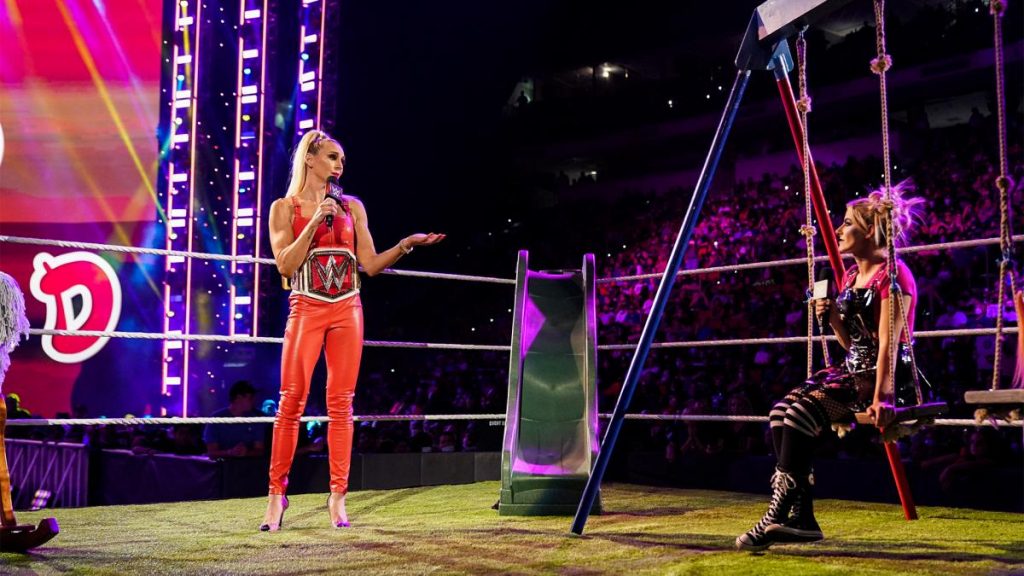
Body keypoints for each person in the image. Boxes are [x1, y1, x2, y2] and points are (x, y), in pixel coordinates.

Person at [261, 129, 444, 532]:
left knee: (341, 403)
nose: (339, 165)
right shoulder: (283, 208)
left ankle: (337, 497)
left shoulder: (352, 207)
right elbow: (285, 265)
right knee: (290, 400)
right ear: (309, 159)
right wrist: (313, 223)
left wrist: (407, 244)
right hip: (306, 306)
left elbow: (371, 264)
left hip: (347, 308)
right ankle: (277, 497)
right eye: (331, 157)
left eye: (341, 159)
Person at [736, 183, 924, 551]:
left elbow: (889, 341)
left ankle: (780, 512)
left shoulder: (893, 275)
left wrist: (884, 396)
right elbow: (853, 344)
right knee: (779, 412)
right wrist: (835, 319)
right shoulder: (852, 277)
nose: (838, 230)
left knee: (799, 415)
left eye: (847, 223)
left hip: (884, 377)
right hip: (854, 369)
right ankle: (802, 517)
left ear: (870, 231)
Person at [203, 380, 266, 458]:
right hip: (221, 468)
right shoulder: (216, 419)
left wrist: (246, 453)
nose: (254, 401)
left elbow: (259, 450)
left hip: (249, 467)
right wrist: (230, 452)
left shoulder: (256, 420)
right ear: (238, 398)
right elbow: (211, 452)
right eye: (250, 398)